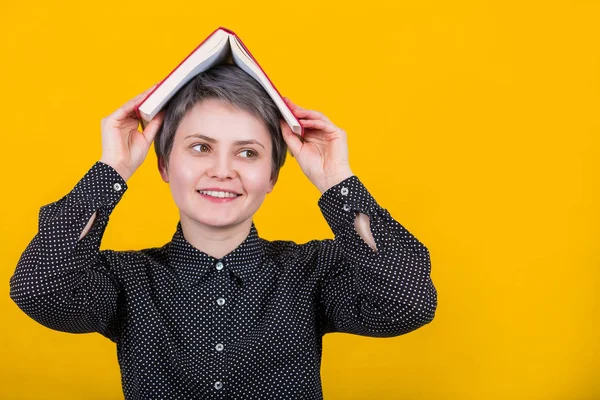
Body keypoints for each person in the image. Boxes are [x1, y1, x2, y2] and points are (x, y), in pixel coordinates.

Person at [10, 64, 437, 399]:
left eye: (248, 153)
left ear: (272, 175)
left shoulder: (312, 272)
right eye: (200, 147)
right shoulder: (127, 280)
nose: (222, 170)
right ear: (163, 164)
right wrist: (112, 170)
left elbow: (409, 302)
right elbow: (38, 290)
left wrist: (336, 180)